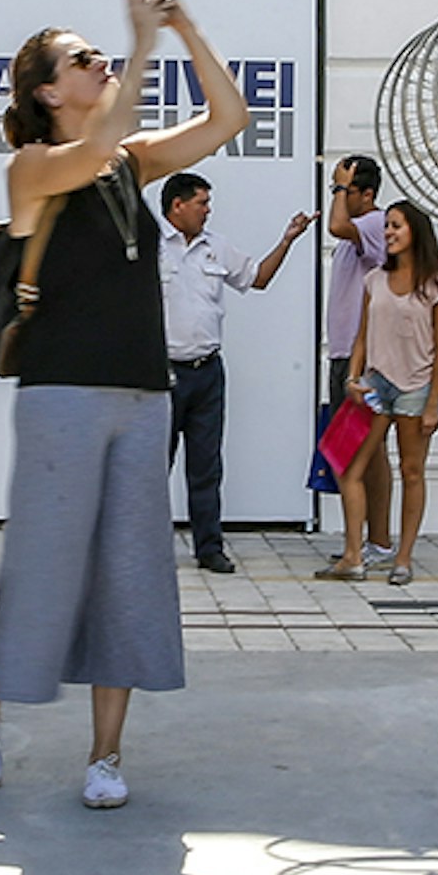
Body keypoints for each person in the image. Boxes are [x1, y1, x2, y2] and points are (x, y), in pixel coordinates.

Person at [0, 0, 250, 808]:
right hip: (60, 394)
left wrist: (185, 26)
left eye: (100, 57)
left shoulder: (131, 163)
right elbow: (92, 152)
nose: (101, 65)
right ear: (49, 91)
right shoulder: (33, 169)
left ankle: (106, 757)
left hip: (140, 394)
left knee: (130, 574)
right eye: (83, 59)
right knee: (46, 574)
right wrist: (141, 44)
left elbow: (227, 121)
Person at [156, 170, 309, 574]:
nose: (208, 211)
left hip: (207, 372)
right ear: (178, 205)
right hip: (161, 374)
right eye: (202, 202)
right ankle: (147, 549)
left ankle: (209, 548)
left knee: (206, 466)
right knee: (153, 467)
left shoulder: (215, 247)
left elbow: (257, 278)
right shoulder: (151, 247)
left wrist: (287, 240)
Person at [332, 198, 438, 586]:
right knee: (349, 466)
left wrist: (434, 401)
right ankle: (354, 554)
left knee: (411, 470)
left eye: (396, 226)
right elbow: (362, 336)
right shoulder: (375, 279)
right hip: (375, 384)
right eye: (386, 226)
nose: (388, 233)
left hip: (415, 387)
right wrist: (353, 377)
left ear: (415, 231)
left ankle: (403, 557)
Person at [311, 154, 397, 580]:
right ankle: (370, 542)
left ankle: (364, 548)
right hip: (345, 351)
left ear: (367, 193)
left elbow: (335, 225)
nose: (337, 198)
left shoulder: (372, 225)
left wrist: (341, 192)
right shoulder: (357, 234)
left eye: (343, 189)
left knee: (360, 453)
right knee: (365, 451)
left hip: (358, 357)